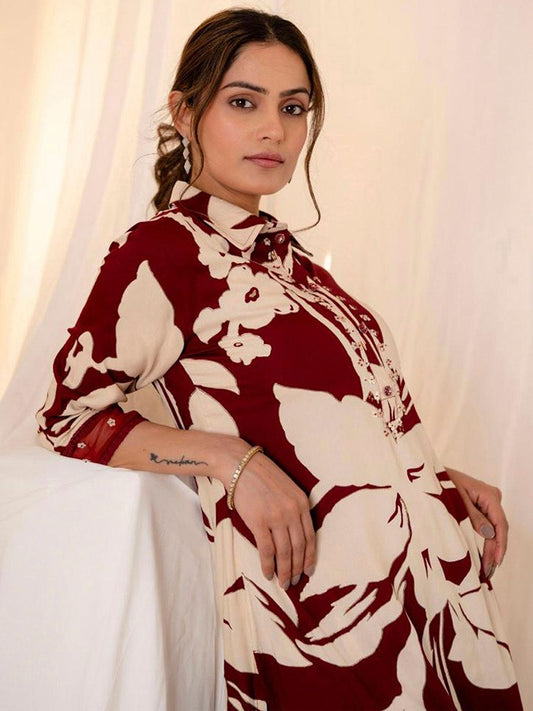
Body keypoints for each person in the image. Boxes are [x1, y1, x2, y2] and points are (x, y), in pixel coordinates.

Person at [36, 7, 523, 710]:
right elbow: (68, 418)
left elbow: (328, 430)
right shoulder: (164, 252)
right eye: (244, 102)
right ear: (185, 111)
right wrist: (230, 459)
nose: (274, 129)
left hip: (434, 604)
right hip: (327, 621)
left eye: (293, 108)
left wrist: (431, 475)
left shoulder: (301, 269)